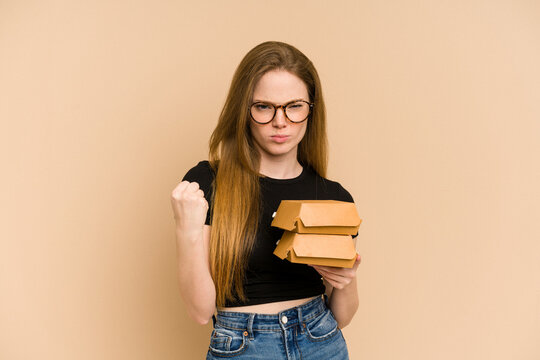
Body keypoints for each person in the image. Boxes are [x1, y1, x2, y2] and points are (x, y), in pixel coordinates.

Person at [170, 41, 361, 360]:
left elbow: (342, 316)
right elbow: (200, 311)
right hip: (243, 346)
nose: (280, 121)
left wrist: (346, 280)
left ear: (311, 109)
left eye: (294, 106)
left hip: (321, 341)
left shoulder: (332, 196)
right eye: (264, 107)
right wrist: (186, 229)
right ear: (244, 110)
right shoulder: (207, 183)